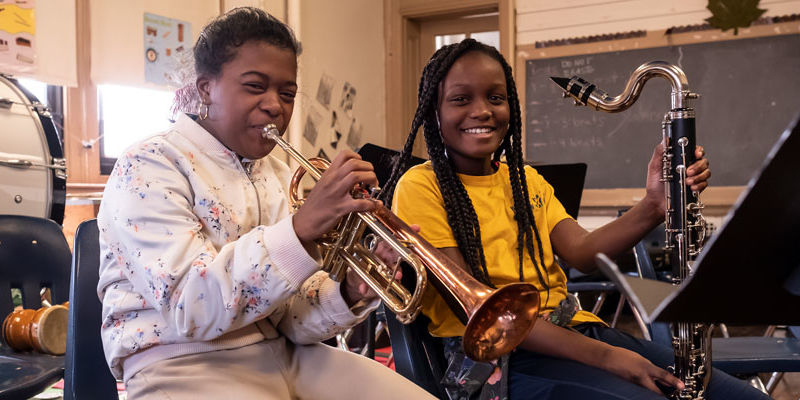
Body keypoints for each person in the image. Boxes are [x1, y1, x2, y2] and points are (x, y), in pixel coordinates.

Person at [382, 38, 769, 400]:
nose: (482, 110)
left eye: (495, 97)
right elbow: (482, 313)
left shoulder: (525, 180)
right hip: (495, 360)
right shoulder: (420, 186)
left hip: (573, 331)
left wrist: (654, 204)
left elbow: (583, 252)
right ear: (433, 112)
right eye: (460, 99)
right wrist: (606, 357)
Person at [96, 7, 435, 399]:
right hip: (179, 362)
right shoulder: (149, 164)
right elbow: (191, 309)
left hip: (285, 354)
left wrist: (349, 291)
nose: (276, 105)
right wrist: (301, 229)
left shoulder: (275, 172)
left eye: (287, 93)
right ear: (206, 88)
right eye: (256, 86)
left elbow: (290, 319)